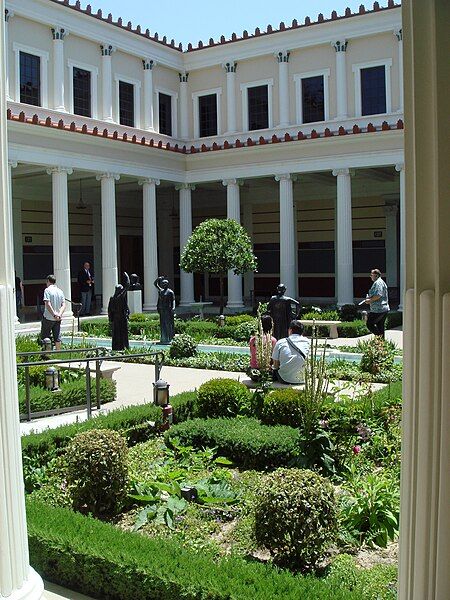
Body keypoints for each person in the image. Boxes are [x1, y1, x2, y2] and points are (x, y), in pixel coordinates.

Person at [271, 320, 310, 385]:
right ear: (302, 332)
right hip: (303, 379)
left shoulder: (281, 342)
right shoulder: (308, 342)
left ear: (290, 330)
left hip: (285, 378)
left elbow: (276, 365)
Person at [40, 274, 66, 350]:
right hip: (58, 318)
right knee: (57, 337)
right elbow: (64, 304)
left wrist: (54, 314)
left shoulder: (47, 290)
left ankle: (47, 354)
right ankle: (58, 353)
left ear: (48, 281)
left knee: (45, 336)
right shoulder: (60, 291)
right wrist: (59, 315)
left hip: (48, 317)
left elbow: (47, 304)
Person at [248, 315, 277, 381]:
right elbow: (274, 359)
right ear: (271, 325)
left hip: (253, 373)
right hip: (266, 373)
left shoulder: (252, 339)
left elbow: (252, 355)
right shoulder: (272, 340)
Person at [364, 268, 390, 337]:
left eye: (371, 275)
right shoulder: (381, 282)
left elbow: (378, 295)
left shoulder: (378, 283)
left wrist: (369, 300)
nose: (370, 276)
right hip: (383, 308)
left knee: (369, 324)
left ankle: (379, 337)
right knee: (380, 326)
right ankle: (381, 343)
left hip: (378, 309)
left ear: (376, 275)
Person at [108, 272, 130, 351]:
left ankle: (116, 347)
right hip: (121, 318)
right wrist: (127, 277)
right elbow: (127, 286)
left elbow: (109, 311)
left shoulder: (112, 298)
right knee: (122, 333)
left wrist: (110, 319)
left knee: (116, 334)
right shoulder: (120, 297)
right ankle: (123, 347)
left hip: (115, 318)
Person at [154, 276, 176, 343]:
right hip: (162, 309)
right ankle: (164, 338)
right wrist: (159, 278)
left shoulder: (170, 292)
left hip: (168, 310)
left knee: (168, 324)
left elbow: (173, 300)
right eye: (163, 283)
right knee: (162, 324)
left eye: (165, 283)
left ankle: (170, 338)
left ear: (167, 284)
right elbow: (155, 284)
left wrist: (173, 308)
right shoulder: (161, 291)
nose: (163, 285)